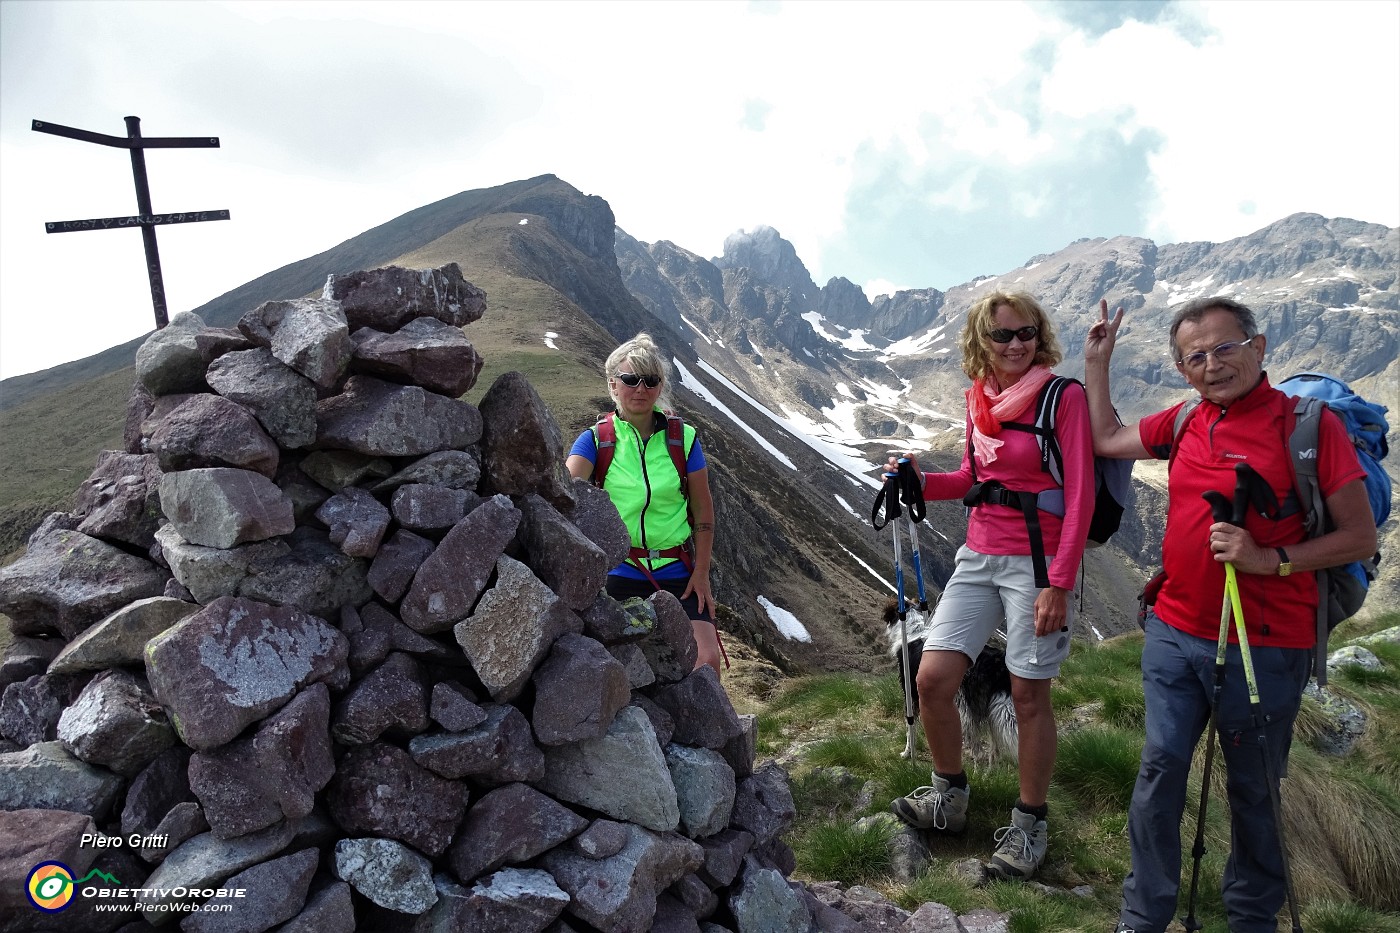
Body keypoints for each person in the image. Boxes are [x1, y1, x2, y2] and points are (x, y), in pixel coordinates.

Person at [1084, 296, 1376, 933]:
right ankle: (1142, 916)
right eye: (1196, 357)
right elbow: (1107, 439)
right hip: (1175, 630)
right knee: (1160, 770)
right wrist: (1097, 364)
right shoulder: (1187, 419)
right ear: (1183, 371)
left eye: (1225, 348)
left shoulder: (1308, 428)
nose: (1213, 364)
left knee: (1253, 787)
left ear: (1259, 347)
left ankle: (1250, 918)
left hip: (1268, 644)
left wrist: (1270, 559)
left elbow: (1360, 537)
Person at [888, 291, 1094, 881]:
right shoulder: (981, 399)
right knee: (932, 678)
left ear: (1040, 335)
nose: (1015, 344)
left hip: (1039, 560)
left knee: (1029, 697)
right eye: (1002, 335)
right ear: (982, 340)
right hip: (978, 554)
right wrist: (916, 479)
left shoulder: (1063, 397)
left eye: (1025, 333)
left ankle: (1030, 825)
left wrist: (1059, 582)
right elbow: (970, 480)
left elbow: (1079, 494)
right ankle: (949, 797)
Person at [565, 333, 723, 675]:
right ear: (612, 385)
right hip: (617, 571)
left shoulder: (684, 439)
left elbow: (703, 510)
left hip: (678, 570)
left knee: (705, 661)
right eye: (630, 379)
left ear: (660, 385)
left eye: (650, 380)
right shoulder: (596, 440)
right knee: (619, 667)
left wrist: (701, 573)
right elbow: (564, 496)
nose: (640, 388)